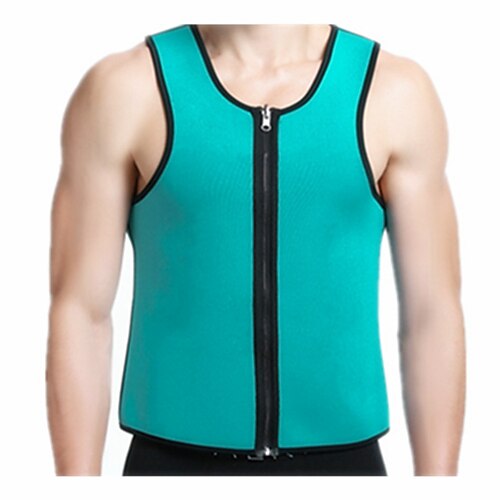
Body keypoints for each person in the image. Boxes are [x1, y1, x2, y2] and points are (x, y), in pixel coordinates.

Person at [46, 23, 466, 476]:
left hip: (343, 464)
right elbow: (80, 312)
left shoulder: (392, 92)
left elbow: (432, 313)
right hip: (170, 463)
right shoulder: (127, 88)